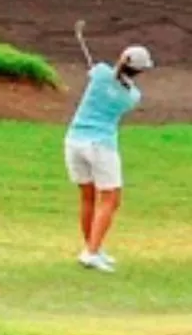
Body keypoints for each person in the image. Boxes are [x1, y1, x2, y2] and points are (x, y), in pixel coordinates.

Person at [65, 44, 155, 272]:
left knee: (88, 197)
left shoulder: (101, 72)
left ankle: (92, 247)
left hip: (74, 141)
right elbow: (116, 85)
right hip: (101, 146)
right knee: (110, 199)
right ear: (140, 71)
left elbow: (99, 74)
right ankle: (92, 253)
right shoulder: (132, 96)